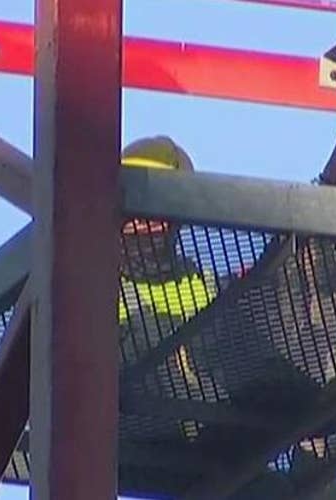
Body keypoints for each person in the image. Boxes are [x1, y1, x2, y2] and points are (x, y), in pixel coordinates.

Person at [118, 136, 223, 440]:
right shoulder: (93, 286)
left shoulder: (207, 285)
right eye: (131, 211)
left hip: (204, 428)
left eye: (150, 213)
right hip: (126, 421)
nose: (138, 224)